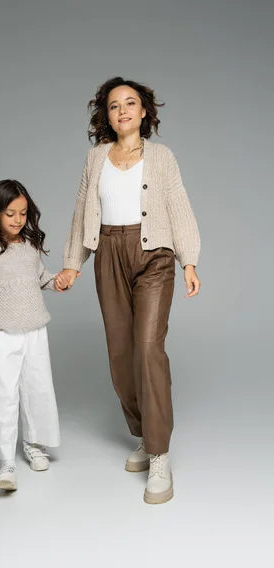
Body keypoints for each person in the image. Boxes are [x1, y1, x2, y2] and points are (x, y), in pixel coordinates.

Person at [57, 77, 201, 504]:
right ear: (107, 115)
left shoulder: (161, 157)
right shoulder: (95, 157)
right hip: (108, 253)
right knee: (121, 355)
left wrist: (188, 259)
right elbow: (83, 209)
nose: (122, 110)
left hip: (153, 253)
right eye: (114, 105)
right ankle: (142, 433)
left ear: (144, 112)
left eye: (130, 103)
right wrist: (71, 263)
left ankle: (159, 453)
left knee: (148, 348)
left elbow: (179, 205)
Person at [0, 180, 68, 492]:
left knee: (37, 389)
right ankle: (6, 462)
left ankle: (33, 444)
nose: (17, 219)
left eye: (23, 213)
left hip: (35, 330)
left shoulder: (30, 246)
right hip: (2, 335)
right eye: (10, 213)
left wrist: (57, 281)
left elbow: (38, 279)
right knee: (4, 395)